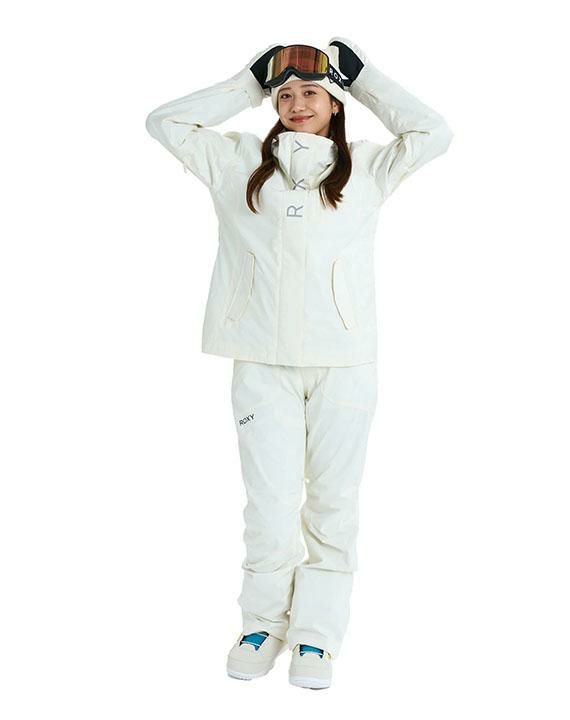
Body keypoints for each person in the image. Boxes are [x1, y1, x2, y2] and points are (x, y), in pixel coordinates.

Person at [145, 37, 453, 690]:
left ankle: (316, 635)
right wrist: (246, 81)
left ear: (336, 105)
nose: (297, 103)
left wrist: (364, 78)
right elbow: (164, 121)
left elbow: (433, 132)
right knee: (270, 503)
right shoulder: (234, 163)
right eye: (284, 94)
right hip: (262, 364)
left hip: (345, 364)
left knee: (334, 503)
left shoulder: (368, 167)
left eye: (312, 91)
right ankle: (261, 623)